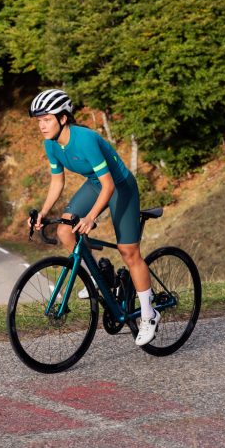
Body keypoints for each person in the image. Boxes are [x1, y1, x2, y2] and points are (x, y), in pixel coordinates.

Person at [28, 88, 160, 346]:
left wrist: (89, 217)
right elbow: (57, 180)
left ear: (63, 118)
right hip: (95, 184)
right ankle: (101, 280)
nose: (42, 126)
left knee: (128, 251)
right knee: (65, 230)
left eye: (46, 119)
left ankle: (149, 313)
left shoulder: (85, 139)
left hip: (120, 186)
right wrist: (43, 212)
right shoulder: (51, 144)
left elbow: (109, 185)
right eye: (39, 121)